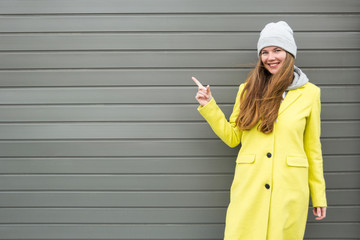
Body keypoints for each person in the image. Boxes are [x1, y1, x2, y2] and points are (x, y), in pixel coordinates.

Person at [192, 21, 327, 240]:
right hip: (250, 186)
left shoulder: (310, 94)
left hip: (290, 188)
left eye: (277, 50)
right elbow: (233, 137)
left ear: (289, 53)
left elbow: (313, 149)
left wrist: (318, 195)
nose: (270, 57)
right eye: (264, 52)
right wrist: (209, 105)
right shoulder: (247, 90)